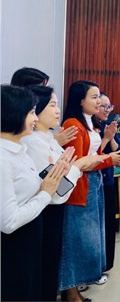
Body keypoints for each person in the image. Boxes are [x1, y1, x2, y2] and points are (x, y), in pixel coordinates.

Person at [22, 85, 106, 301]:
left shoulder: (49, 137)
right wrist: (79, 165)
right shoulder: (36, 141)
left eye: (57, 104)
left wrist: (75, 165)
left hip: (56, 203)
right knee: (49, 263)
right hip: (47, 208)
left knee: (52, 261)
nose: (57, 110)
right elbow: (57, 188)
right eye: (52, 105)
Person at [58, 80, 120, 302]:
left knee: (90, 238)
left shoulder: (89, 122)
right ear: (80, 100)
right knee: (77, 240)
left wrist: (110, 156)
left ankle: (75, 290)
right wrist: (110, 159)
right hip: (80, 187)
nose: (99, 102)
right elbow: (80, 162)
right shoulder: (73, 124)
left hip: (94, 183)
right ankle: (71, 292)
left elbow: (94, 155)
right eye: (94, 97)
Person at [0, 85, 70, 302]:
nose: (35, 118)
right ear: (14, 114)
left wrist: (57, 176)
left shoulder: (20, 150)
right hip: (13, 246)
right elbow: (8, 222)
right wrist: (45, 194)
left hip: (30, 237)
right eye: (31, 112)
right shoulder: (3, 159)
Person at [10, 67, 78, 147]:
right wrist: (54, 143)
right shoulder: (28, 137)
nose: (46, 92)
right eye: (42, 88)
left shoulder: (44, 130)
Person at [96, 92, 120, 279]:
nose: (107, 110)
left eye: (109, 106)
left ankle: (105, 265)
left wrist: (111, 137)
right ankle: (96, 268)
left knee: (108, 226)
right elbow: (91, 155)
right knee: (99, 228)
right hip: (97, 184)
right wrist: (105, 138)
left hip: (108, 181)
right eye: (103, 106)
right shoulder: (89, 127)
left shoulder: (106, 126)